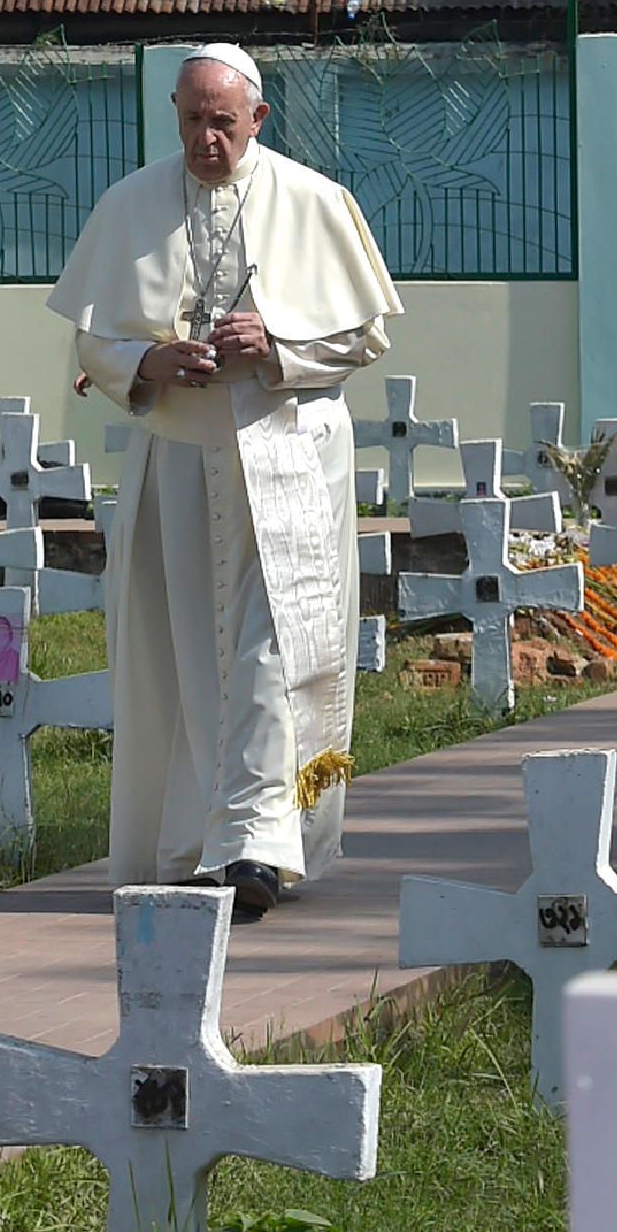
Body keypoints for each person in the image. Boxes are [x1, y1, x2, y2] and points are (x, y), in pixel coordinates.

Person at [49, 44, 397, 918]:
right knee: (186, 653)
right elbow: (93, 339)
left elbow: (361, 336)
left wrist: (276, 345)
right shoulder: (130, 205)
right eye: (193, 120)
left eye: (224, 122)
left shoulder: (315, 201)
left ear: (258, 119)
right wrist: (149, 360)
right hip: (181, 457)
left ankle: (255, 847)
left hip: (289, 457)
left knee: (272, 648)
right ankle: (194, 841)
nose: (207, 139)